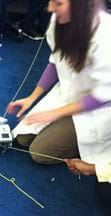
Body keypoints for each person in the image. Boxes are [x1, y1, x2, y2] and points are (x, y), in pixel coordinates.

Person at [7, 0, 111, 165]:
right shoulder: (59, 19)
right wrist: (32, 98)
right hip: (68, 92)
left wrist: (55, 113)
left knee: (39, 153)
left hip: (99, 110)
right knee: (21, 139)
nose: (49, 8)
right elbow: (56, 61)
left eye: (58, 3)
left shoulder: (104, 33)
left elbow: (103, 95)